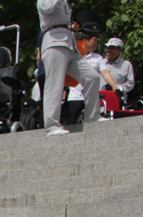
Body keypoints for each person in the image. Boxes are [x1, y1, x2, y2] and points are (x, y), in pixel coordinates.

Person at [38, 0, 101, 136]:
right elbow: (48, 8)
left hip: (70, 44)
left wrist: (72, 27)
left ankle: (92, 117)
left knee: (92, 77)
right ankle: (51, 126)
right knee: (54, 84)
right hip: (54, 43)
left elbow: (60, 22)